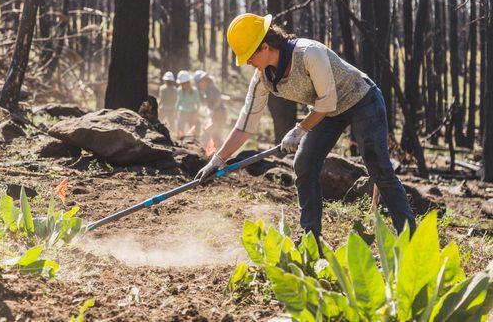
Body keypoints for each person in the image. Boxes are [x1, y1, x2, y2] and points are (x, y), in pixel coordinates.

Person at [195, 13, 416, 239]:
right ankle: (311, 238)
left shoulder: (309, 52)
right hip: (326, 111)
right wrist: (218, 160)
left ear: (264, 47)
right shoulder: (262, 77)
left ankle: (410, 238)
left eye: (249, 55)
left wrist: (300, 130)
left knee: (379, 167)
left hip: (362, 99)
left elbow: (327, 100)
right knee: (304, 163)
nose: (248, 62)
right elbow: (245, 124)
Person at [193, 70, 227, 144]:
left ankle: (208, 151)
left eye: (198, 83)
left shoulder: (211, 88)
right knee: (215, 136)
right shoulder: (206, 89)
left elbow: (219, 99)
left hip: (219, 113)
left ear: (203, 81)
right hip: (217, 113)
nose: (198, 86)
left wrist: (212, 112)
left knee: (209, 134)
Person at [175, 70, 201, 139]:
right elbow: (178, 102)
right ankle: (180, 141)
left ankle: (193, 142)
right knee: (180, 129)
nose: (183, 85)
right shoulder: (179, 90)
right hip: (182, 112)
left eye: (184, 83)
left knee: (193, 129)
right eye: (182, 83)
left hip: (192, 112)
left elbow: (198, 103)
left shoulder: (194, 91)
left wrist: (196, 113)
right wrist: (176, 111)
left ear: (188, 82)